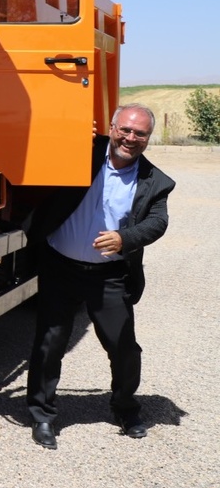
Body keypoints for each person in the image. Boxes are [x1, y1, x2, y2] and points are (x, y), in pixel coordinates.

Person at [25, 104, 175, 449]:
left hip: (109, 276)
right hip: (60, 266)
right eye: (125, 129)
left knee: (124, 347)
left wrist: (126, 238)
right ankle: (42, 415)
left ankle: (125, 408)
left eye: (140, 133)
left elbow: (158, 221)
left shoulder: (155, 181)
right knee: (49, 344)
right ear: (112, 127)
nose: (130, 138)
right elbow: (42, 147)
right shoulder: (80, 156)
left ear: (148, 138)